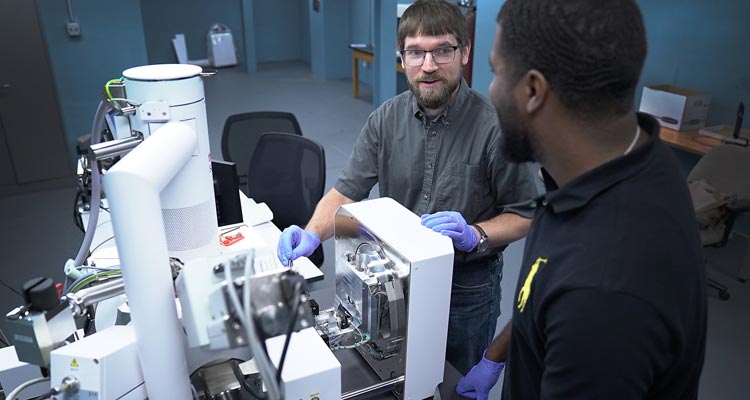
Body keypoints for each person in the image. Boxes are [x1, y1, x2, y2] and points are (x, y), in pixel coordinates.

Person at [456, 0, 708, 398]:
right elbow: (541, 285)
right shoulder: (631, 157)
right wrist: (495, 355)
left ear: (533, 90)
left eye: (495, 71)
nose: (490, 89)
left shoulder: (603, 296)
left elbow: (575, 299)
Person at [277, 0, 537, 374]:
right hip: (395, 280)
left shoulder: (495, 128)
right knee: (397, 374)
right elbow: (346, 192)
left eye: (442, 51)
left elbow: (525, 214)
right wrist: (312, 232)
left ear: (464, 53)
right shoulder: (385, 119)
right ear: (402, 57)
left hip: (465, 289)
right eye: (416, 52)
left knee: (452, 380)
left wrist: (475, 234)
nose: (428, 66)